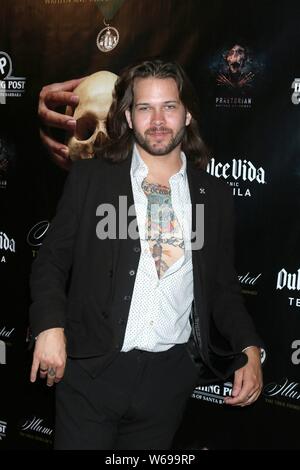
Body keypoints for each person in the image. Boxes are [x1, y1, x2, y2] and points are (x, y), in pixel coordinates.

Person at [30, 59, 263, 450]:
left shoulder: (214, 196)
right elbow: (51, 260)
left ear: (187, 113)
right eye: (145, 108)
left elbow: (222, 287)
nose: (157, 120)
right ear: (128, 115)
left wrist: (250, 347)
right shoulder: (91, 179)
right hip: (90, 373)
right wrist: (49, 326)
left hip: (166, 383)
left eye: (169, 106)